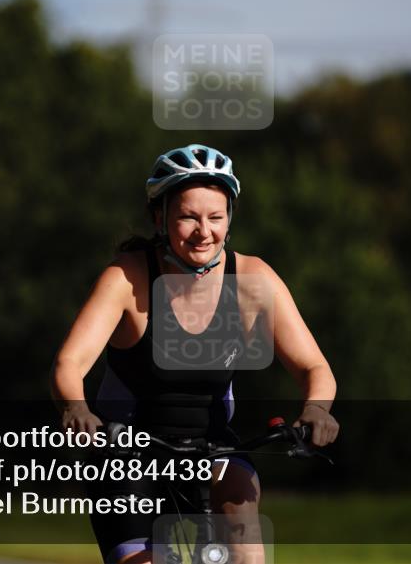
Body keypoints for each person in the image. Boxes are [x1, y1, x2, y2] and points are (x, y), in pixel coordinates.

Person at [51, 144, 339, 564]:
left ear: (230, 219)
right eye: (188, 216)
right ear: (159, 218)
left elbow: (315, 366)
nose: (204, 231)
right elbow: (69, 363)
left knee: (244, 531)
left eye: (216, 217)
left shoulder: (253, 279)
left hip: (213, 451)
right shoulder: (127, 277)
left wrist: (317, 409)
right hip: (127, 454)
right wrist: (75, 408)